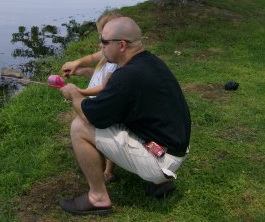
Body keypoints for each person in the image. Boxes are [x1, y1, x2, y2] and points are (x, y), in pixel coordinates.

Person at [59, 17, 191, 216]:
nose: (100, 46)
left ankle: (97, 197)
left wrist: (74, 94)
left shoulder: (127, 76)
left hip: (161, 158)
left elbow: (92, 116)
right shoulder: (148, 62)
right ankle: (159, 182)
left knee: (79, 127)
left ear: (121, 45)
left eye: (104, 42)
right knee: (118, 116)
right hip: (173, 148)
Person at [61, 11, 122, 184]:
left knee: (108, 131)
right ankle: (92, 155)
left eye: (102, 36)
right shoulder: (106, 50)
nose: (100, 41)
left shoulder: (114, 60)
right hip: (94, 100)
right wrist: (78, 65)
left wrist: (78, 92)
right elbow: (92, 59)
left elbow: (104, 87)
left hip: (103, 102)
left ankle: (108, 170)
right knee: (85, 126)